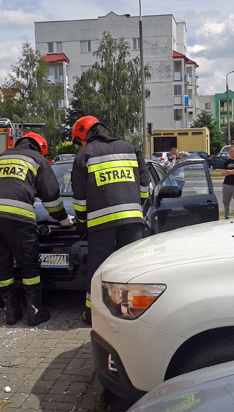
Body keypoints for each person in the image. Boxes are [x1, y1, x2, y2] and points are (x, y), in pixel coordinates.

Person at [0, 133, 73, 326]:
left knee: (2, 265)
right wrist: (63, 219)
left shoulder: (0, 157)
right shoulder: (37, 159)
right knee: (28, 264)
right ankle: (35, 312)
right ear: (40, 148)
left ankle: (11, 312)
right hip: (18, 217)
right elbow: (51, 198)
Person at [71, 116, 149, 324]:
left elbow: (79, 200)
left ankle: (92, 313)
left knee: (98, 271)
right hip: (132, 220)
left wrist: (81, 224)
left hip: (100, 224)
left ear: (84, 134)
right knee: (131, 268)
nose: (81, 145)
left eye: (80, 140)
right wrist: (135, 208)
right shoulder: (131, 149)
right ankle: (132, 313)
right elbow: (144, 188)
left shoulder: (84, 155)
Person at [221, 145, 234, 219]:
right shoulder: (226, 162)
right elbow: (222, 173)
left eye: (233, 151)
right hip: (226, 184)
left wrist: (227, 171)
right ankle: (227, 217)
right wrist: (231, 171)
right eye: (230, 151)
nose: (231, 153)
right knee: (226, 203)